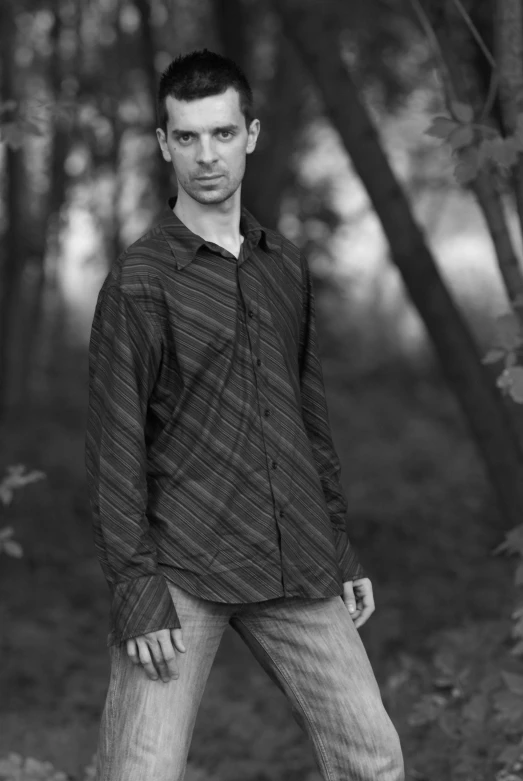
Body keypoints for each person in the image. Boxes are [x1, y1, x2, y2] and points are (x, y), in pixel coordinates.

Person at [85, 48, 404, 781]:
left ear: (251, 134)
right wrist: (135, 587)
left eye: (222, 134)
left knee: (374, 759)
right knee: (138, 774)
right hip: (182, 567)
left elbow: (305, 415)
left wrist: (338, 544)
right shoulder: (139, 280)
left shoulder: (282, 264)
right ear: (164, 143)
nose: (206, 155)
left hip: (294, 555)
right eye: (188, 137)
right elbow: (113, 444)